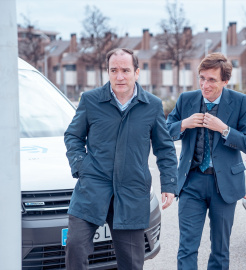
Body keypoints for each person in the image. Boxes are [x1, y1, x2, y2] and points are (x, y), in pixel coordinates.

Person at [64, 48, 178, 270]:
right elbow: (73, 136)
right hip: (92, 189)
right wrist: (81, 166)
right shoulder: (91, 100)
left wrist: (169, 184)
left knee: (131, 263)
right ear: (107, 72)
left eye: (125, 70)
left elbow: (164, 148)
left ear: (136, 72)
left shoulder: (152, 105)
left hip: (131, 193)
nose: (119, 76)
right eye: (113, 70)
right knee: (75, 248)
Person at [167, 52, 246, 269]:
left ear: (225, 81)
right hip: (191, 183)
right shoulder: (186, 100)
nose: (205, 85)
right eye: (202, 78)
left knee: (220, 250)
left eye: (212, 80)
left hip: (224, 185)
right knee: (187, 247)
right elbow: (164, 132)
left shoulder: (240, 102)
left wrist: (224, 129)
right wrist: (184, 123)